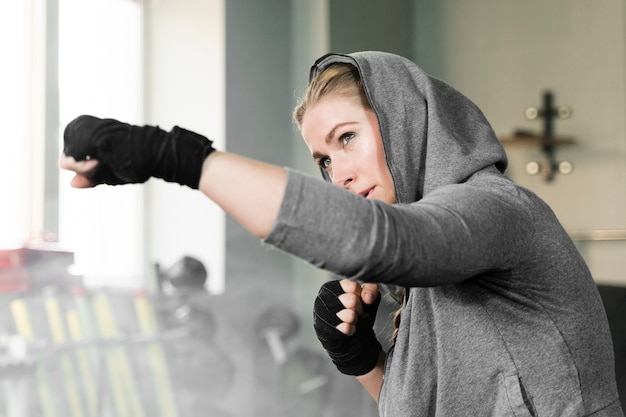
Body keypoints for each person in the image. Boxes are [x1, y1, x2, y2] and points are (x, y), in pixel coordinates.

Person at [60, 51, 623, 416]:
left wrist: (178, 158)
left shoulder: (496, 211)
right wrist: (365, 362)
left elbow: (380, 240)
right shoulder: (418, 291)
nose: (339, 172)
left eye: (347, 137)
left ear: (405, 119)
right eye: (324, 159)